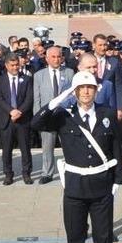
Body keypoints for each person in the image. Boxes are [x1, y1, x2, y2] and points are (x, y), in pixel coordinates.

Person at [31, 71, 122, 243]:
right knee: (76, 235)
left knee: (103, 235)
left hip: (102, 185)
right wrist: (58, 100)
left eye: (90, 87)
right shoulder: (64, 115)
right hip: (75, 187)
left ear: (95, 90)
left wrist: (117, 181)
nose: (85, 92)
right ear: (74, 91)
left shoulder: (107, 113)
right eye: (81, 88)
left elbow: (115, 147)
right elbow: (36, 122)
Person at [33, 46, 74, 185]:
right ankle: (47, 173)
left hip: (64, 116)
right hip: (47, 117)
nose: (57, 59)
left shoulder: (69, 72)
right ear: (47, 58)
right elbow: (37, 99)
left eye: (59, 57)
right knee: (47, 147)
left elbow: (72, 94)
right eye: (53, 57)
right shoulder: (39, 75)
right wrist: (38, 117)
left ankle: (71, 170)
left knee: (68, 146)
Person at [0, 54, 34, 184]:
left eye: (17, 64)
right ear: (6, 66)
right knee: (6, 150)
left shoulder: (27, 79)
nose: (15, 67)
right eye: (12, 65)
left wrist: (20, 111)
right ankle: (8, 174)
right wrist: (11, 111)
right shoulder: (0, 80)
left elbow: (29, 99)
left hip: (22, 120)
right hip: (6, 119)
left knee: (25, 148)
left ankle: (26, 173)